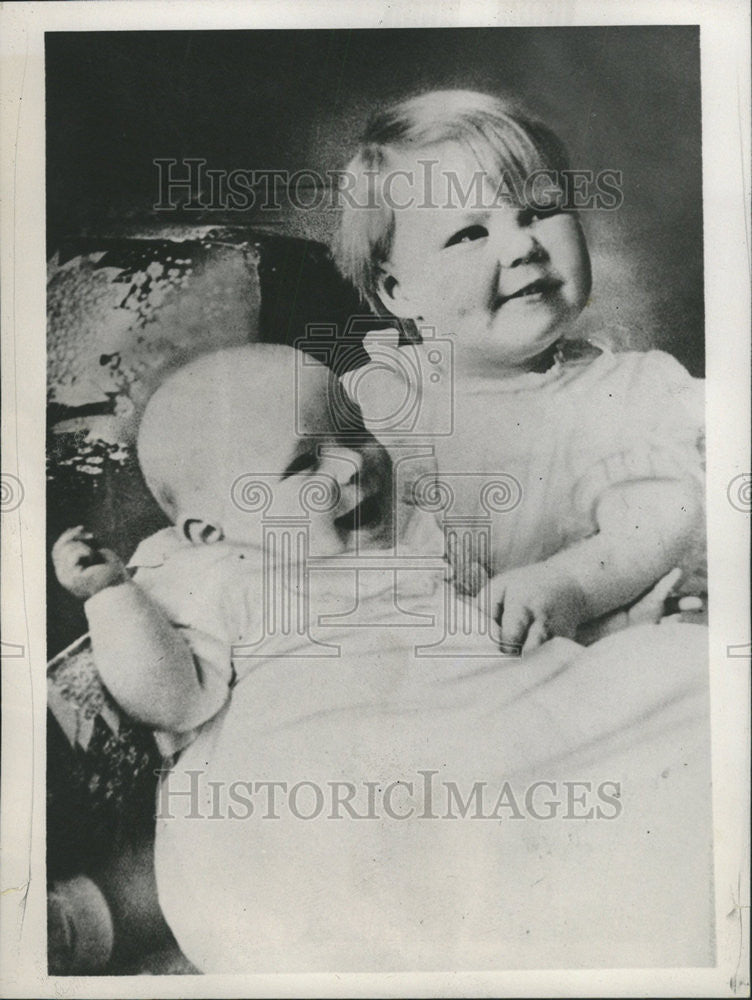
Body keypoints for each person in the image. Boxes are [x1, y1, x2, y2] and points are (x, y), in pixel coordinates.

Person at [51, 343, 713, 973]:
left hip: (487, 723)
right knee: (323, 857)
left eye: (355, 428)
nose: (353, 463)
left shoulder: (415, 538)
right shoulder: (215, 573)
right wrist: (112, 599)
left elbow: (499, 644)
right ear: (210, 528)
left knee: (682, 676)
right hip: (329, 769)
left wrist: (617, 628)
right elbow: (168, 697)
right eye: (305, 465)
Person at [332, 89, 706, 653]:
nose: (523, 245)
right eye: (470, 233)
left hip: (578, 645)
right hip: (419, 658)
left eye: (540, 210)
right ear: (398, 290)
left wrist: (570, 587)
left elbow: (655, 521)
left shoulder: (626, 392)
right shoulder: (379, 400)